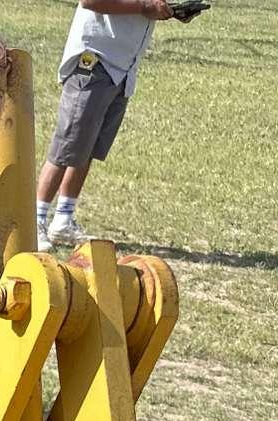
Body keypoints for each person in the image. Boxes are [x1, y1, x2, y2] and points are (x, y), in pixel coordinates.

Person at [37, 0, 186, 248]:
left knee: (88, 147)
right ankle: (35, 219)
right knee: (67, 145)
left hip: (123, 67)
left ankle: (63, 218)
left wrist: (170, 11)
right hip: (95, 61)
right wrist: (144, 7)